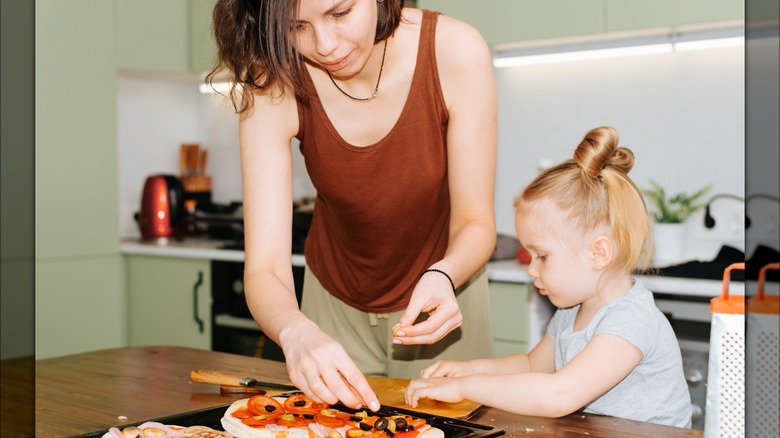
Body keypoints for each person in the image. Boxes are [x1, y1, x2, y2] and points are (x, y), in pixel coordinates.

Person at [208, 0, 497, 412]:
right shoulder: (274, 80)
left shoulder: (455, 50)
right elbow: (265, 269)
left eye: (340, 13)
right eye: (295, 27)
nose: (324, 45)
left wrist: (444, 275)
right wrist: (295, 333)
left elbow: (476, 222)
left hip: (444, 296)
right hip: (332, 305)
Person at [405, 126, 693, 428]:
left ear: (598, 254)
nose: (532, 269)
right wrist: (467, 371)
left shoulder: (631, 321)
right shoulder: (571, 312)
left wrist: (463, 389)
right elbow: (532, 366)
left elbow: (559, 395)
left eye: (542, 256)